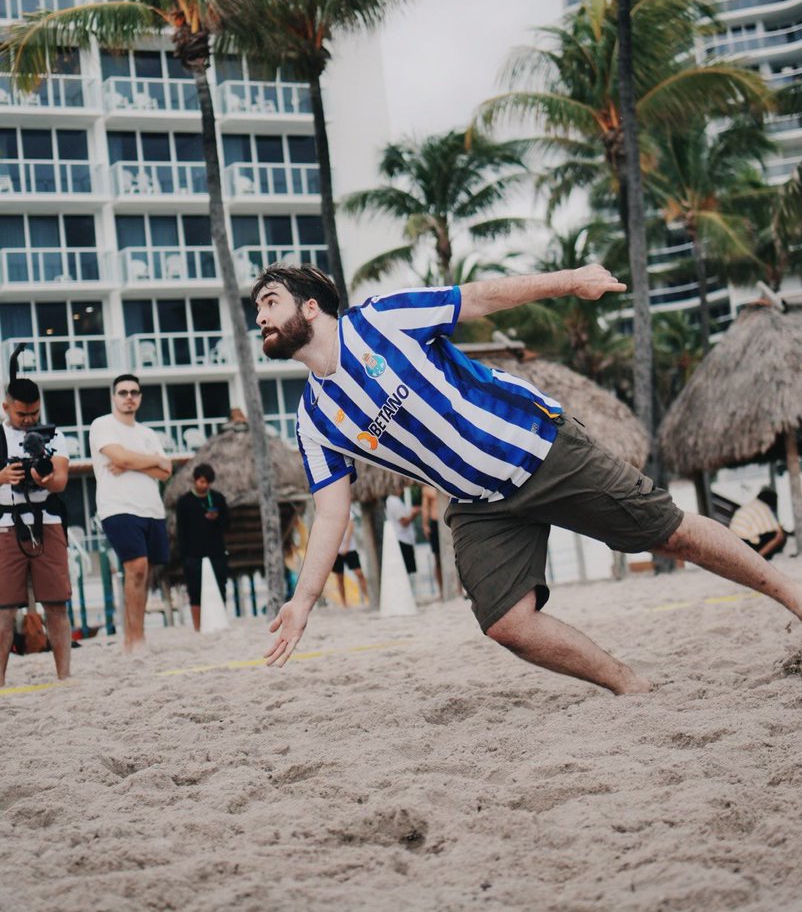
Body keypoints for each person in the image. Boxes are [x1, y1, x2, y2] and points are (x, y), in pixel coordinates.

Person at [253, 263, 802, 694]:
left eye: (270, 303)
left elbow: (483, 296)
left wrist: (572, 282)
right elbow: (331, 512)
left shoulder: (381, 319)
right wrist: (303, 601)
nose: (261, 318)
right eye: (257, 310)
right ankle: (631, 685)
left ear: (311, 307)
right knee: (505, 623)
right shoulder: (314, 420)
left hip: (539, 448)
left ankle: (794, 597)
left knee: (670, 532)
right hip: (479, 503)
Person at [89, 374, 172, 653]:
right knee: (135, 567)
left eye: (134, 392)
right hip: (117, 506)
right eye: (122, 392)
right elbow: (121, 458)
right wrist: (147, 460)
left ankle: (134, 637)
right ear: (114, 396)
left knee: (144, 574)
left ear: (140, 397)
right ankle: (134, 639)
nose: (128, 397)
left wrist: (131, 462)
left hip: (151, 508)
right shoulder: (103, 425)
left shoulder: (147, 434)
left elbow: (166, 470)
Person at [0, 374, 71, 686]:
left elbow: (62, 480)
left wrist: (45, 479)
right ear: (6, 407)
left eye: (34, 413)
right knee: (3, 610)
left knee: (57, 604)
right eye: (22, 414)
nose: (29, 420)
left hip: (48, 523)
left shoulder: (54, 436)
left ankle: (64, 677)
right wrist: (2, 476)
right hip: (5, 526)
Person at [176, 463, 229, 631]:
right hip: (193, 554)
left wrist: (217, 517)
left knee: (220, 588)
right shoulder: (184, 502)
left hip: (216, 552)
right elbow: (180, 530)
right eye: (201, 481)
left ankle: (220, 622)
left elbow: (227, 524)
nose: (204, 485)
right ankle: (197, 628)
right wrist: (184, 557)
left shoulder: (218, 498)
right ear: (195, 480)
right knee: (194, 592)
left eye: (207, 482)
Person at [729, 488, 787, 560]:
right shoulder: (764, 508)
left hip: (733, 540)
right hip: (746, 542)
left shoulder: (750, 505)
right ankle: (758, 557)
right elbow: (776, 530)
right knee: (777, 535)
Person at [331, 514, 369, 606]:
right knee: (339, 577)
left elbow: (350, 525)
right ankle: (344, 603)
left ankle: (368, 598)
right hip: (335, 550)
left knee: (359, 573)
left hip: (350, 548)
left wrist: (346, 545)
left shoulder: (346, 507)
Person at [385, 491, 421, 579]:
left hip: (403, 539)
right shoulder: (394, 501)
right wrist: (413, 514)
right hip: (403, 540)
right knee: (409, 571)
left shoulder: (393, 500)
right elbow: (404, 522)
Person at [421, 484, 443, 598]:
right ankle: (441, 590)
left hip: (448, 523)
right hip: (435, 523)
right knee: (438, 559)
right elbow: (425, 508)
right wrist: (425, 525)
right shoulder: (427, 489)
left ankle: (459, 589)